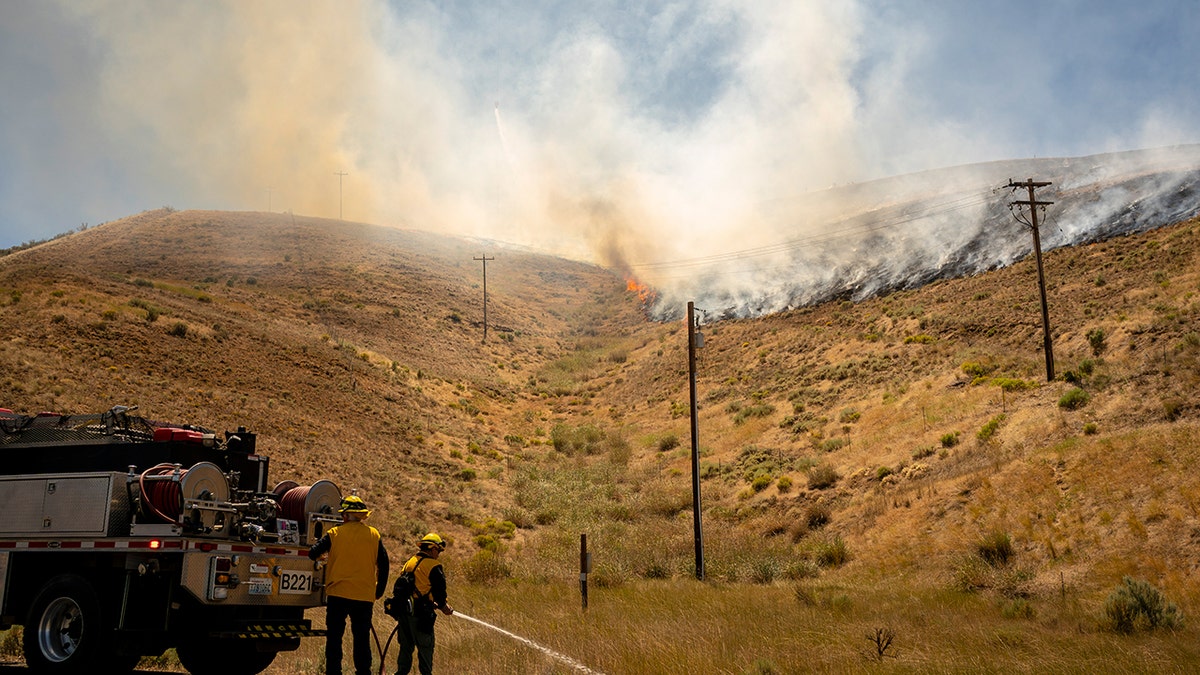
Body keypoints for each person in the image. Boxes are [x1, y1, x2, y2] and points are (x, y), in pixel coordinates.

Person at [308, 495, 390, 675]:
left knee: (335, 638)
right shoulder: (374, 535)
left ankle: (333, 672)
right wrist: (379, 591)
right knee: (361, 638)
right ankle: (363, 672)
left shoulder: (335, 534)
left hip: (338, 594)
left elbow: (313, 553)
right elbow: (384, 564)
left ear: (345, 516)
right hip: (363, 596)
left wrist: (324, 557)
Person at [395, 533, 454, 675]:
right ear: (432, 548)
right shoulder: (434, 566)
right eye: (438, 550)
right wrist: (444, 606)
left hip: (404, 614)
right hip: (421, 616)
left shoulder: (409, 562)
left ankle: (401, 672)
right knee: (425, 648)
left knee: (405, 647)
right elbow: (440, 592)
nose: (439, 554)